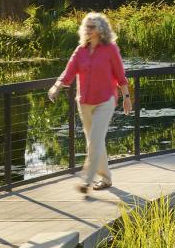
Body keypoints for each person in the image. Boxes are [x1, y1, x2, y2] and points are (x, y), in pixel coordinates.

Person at [46, 11, 131, 192]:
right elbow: (68, 72)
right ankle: (106, 178)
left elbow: (120, 76)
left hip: (105, 101)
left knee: (94, 141)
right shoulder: (81, 51)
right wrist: (56, 86)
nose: (88, 29)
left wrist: (127, 98)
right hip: (84, 102)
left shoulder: (110, 50)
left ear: (101, 29)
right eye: (87, 26)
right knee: (94, 141)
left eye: (92, 26)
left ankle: (87, 180)